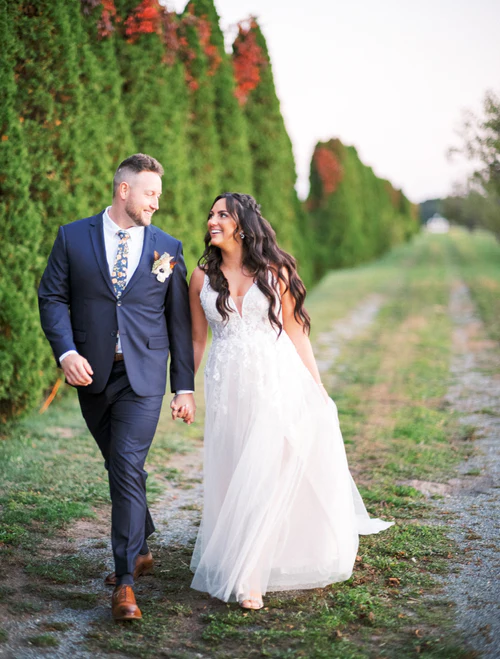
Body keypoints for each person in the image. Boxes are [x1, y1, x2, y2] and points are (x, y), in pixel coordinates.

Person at [187, 193, 393, 610]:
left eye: (222, 214)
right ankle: (238, 553)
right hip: (227, 388)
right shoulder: (200, 278)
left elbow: (297, 333)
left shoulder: (274, 270)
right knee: (233, 474)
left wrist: (318, 391)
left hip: (276, 383)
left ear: (242, 224)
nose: (213, 220)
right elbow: (196, 339)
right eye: (211, 214)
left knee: (268, 475)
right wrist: (183, 389)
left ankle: (251, 578)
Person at [38, 154, 195, 621]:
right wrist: (66, 353)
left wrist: (182, 386)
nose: (157, 203)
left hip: (144, 376)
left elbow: (179, 323)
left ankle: (125, 583)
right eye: (150, 193)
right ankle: (141, 545)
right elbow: (52, 296)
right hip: (93, 374)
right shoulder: (73, 237)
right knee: (120, 466)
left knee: (126, 463)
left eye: (159, 196)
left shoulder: (167, 246)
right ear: (123, 190)